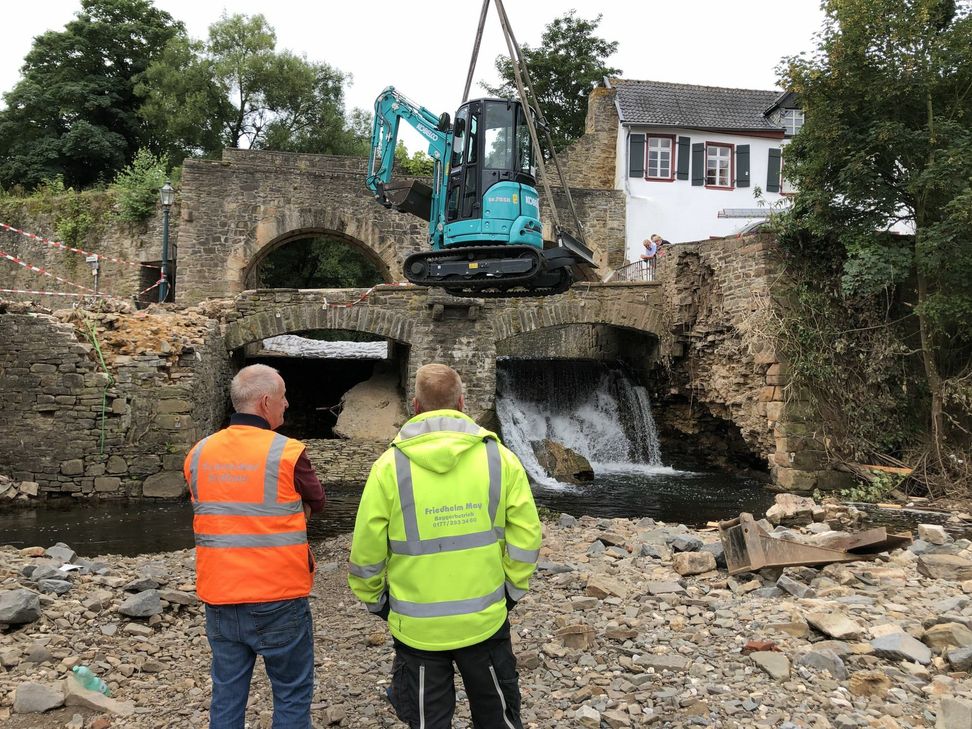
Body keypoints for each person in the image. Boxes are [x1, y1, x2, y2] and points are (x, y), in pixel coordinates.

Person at [349, 363, 542, 729]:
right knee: (498, 716)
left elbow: (366, 552)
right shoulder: (499, 458)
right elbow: (527, 536)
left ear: (415, 406)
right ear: (462, 403)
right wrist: (512, 591)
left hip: (418, 627)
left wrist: (376, 601)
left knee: (428, 720)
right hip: (485, 619)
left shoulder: (389, 467)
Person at [184, 363, 325, 729]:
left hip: (220, 594)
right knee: (291, 693)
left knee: (227, 694)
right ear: (265, 402)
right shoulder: (288, 452)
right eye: (282, 398)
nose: (287, 404)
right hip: (277, 594)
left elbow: (213, 506)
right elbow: (318, 501)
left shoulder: (199, 453)